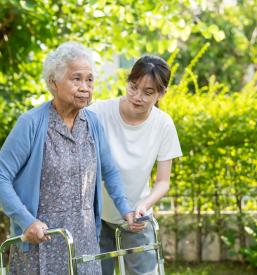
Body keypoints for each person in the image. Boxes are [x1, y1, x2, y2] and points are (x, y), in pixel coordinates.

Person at [0, 41, 134, 275]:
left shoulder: (92, 124)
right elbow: (1, 175)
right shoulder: (31, 124)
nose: (85, 87)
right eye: (76, 79)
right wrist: (26, 221)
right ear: (53, 83)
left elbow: (110, 171)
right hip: (41, 241)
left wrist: (126, 210)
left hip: (84, 242)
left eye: (90, 80)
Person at [88, 55, 182, 275]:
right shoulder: (98, 112)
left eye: (148, 92)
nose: (137, 97)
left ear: (161, 93)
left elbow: (163, 181)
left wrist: (144, 205)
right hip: (96, 218)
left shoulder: (163, 125)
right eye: (133, 87)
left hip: (137, 218)